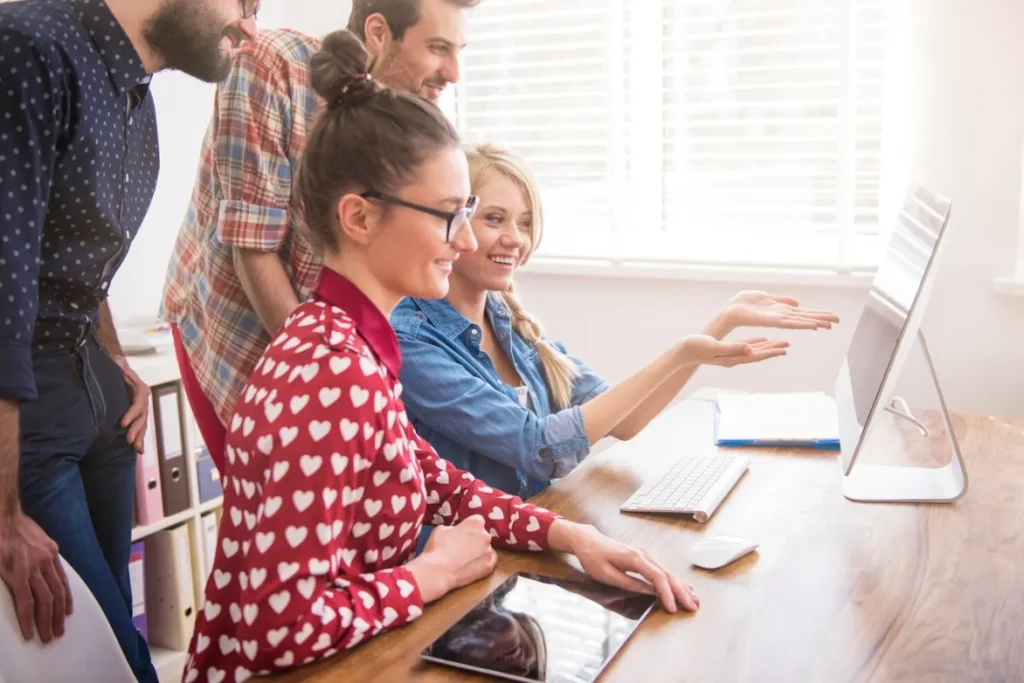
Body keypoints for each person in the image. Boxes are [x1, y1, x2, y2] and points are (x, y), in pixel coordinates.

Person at [185, 31, 698, 682]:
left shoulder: (347, 337)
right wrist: (428, 574)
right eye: (448, 216)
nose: (463, 241)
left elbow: (434, 480)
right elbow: (276, 626)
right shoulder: (330, 369)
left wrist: (572, 537)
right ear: (359, 218)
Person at [0, 0, 258, 680]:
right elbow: (2, 286)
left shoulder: (135, 102)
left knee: (111, 636)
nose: (251, 26)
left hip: (95, 390)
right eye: (246, 2)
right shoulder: (27, 48)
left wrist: (112, 357)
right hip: (27, 409)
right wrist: (2, 515)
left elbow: (75, 261)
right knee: (113, 658)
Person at [391, 143, 841, 503]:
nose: (516, 238)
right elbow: (538, 449)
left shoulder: (509, 321)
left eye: (525, 223)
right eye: (494, 219)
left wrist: (720, 324)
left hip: (535, 536)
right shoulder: (411, 341)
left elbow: (624, 420)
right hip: (470, 564)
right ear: (455, 222)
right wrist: (683, 351)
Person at [160, 0, 476, 475]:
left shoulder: (407, 119)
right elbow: (254, 247)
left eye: (459, 51)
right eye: (437, 48)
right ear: (378, 32)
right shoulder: (272, 65)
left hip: (329, 343)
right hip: (237, 325)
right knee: (277, 512)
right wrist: (325, 375)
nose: (453, 72)